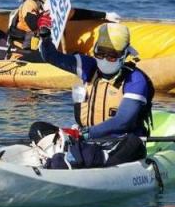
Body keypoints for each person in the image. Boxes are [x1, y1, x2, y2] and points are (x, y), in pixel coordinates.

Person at [30, 21, 155, 170]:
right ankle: (68, 156)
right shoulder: (88, 66)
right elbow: (51, 56)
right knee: (37, 129)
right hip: (88, 140)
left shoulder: (135, 79)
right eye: (100, 53)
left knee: (133, 144)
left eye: (112, 56)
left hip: (120, 143)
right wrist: (45, 36)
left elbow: (123, 121)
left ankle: (77, 158)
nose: (104, 59)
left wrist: (86, 134)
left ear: (125, 54)